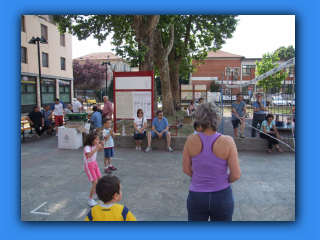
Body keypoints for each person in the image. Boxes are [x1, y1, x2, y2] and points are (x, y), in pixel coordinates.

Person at [182, 101, 241, 221]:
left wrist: (200, 178)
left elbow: (186, 169)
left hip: (197, 196)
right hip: (222, 195)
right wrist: (221, 180)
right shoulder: (228, 141)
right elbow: (236, 175)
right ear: (218, 119)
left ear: (199, 119)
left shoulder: (191, 140)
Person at [83, 132, 104, 207]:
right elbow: (89, 155)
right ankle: (90, 199)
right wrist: (97, 148)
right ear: (92, 140)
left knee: (99, 179)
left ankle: (95, 194)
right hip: (89, 165)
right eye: (97, 139)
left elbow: (100, 150)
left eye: (98, 139)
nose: (98, 140)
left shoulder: (95, 146)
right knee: (94, 182)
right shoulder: (87, 147)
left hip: (94, 163)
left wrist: (101, 146)